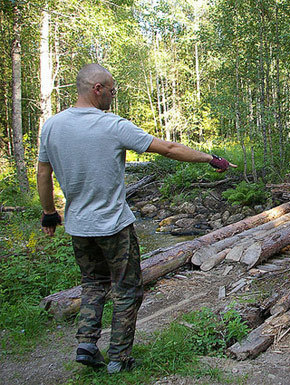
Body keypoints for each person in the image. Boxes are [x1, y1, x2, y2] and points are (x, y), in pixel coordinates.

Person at [37, 63, 236, 374]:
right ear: (97, 89)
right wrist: (211, 159)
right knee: (128, 289)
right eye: (112, 91)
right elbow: (168, 148)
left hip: (78, 227)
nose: (113, 98)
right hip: (114, 226)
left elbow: (43, 172)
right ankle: (119, 359)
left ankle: (86, 342)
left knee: (93, 284)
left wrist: (49, 213)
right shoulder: (112, 125)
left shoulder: (51, 126)